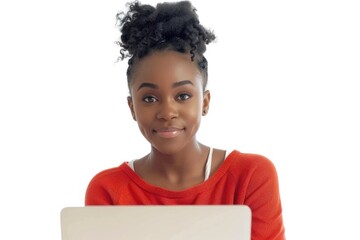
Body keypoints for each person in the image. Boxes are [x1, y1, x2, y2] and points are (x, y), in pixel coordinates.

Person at [85, 1, 285, 239]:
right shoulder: (108, 190)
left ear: (205, 102)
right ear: (132, 108)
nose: (167, 112)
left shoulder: (251, 176)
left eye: (183, 96)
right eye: (149, 98)